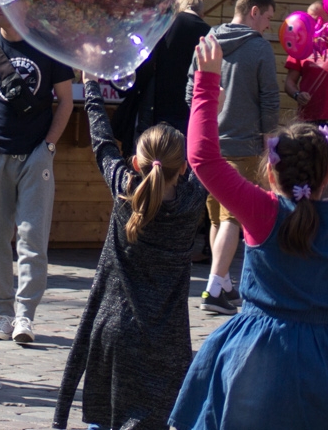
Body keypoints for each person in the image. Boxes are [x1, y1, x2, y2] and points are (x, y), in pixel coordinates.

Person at [170, 41, 328, 429]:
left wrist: (207, 84)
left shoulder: (263, 213)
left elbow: (203, 158)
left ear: (270, 174)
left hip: (258, 350)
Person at [53, 78, 209, 430]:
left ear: (137, 162)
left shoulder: (125, 189)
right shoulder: (192, 201)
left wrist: (91, 88)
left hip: (113, 331)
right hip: (167, 343)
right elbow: (207, 152)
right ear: (183, 167)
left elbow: (103, 143)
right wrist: (203, 93)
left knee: (102, 419)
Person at [0, 1, 74, 345]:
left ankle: (25, 314)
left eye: (7, 0)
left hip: (35, 155)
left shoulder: (47, 47)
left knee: (32, 237)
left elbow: (66, 101)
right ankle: (3, 311)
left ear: (24, 7)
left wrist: (49, 147)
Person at [184, 0, 278, 316]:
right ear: (253, 11)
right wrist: (271, 142)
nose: (268, 24)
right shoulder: (259, 48)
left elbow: (190, 92)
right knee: (232, 218)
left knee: (217, 218)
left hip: (208, 144)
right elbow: (269, 98)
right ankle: (213, 287)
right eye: (267, 16)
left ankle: (221, 282)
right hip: (245, 146)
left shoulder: (208, 40)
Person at [112, 0, 208, 153]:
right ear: (200, 11)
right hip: (191, 118)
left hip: (154, 113)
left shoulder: (163, 26)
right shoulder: (210, 34)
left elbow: (142, 68)